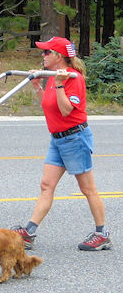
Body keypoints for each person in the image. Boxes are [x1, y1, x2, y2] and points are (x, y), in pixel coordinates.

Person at [11, 36, 112, 252]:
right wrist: (38, 86)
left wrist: (58, 85)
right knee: (46, 185)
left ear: (59, 56)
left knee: (87, 188)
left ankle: (101, 234)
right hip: (57, 140)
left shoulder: (72, 78)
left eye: (47, 52)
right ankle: (29, 232)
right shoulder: (53, 76)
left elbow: (66, 110)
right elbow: (49, 107)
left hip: (75, 138)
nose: (43, 56)